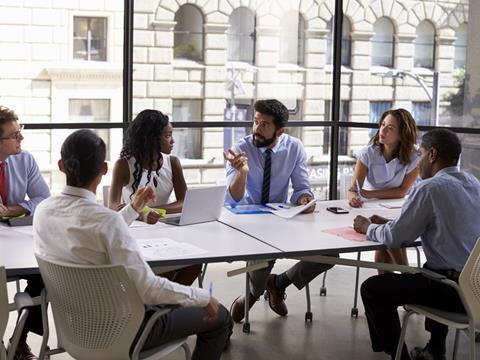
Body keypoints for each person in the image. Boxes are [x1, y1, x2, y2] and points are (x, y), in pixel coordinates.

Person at [33, 130, 232, 360]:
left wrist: (133, 209)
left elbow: (105, 227)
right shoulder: (104, 221)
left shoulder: (43, 211)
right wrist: (204, 297)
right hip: (126, 331)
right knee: (221, 317)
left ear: (61, 165)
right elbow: (148, 289)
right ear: (104, 170)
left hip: (75, 329)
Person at [353, 129, 480, 360]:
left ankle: (400, 356)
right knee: (433, 270)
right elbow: (448, 224)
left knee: (372, 289)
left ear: (432, 155)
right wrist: (395, 223)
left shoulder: (429, 188)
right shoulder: (473, 183)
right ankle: (435, 350)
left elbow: (395, 238)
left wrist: (367, 228)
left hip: (452, 291)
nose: (416, 163)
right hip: (476, 288)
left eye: (419, 154)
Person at [224, 99, 334, 322]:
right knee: (262, 257)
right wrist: (242, 173)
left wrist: (305, 199)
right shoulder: (240, 150)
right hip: (247, 220)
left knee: (329, 254)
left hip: (280, 217)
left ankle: (279, 282)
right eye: (255, 122)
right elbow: (233, 199)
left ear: (280, 130)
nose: (257, 129)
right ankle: (252, 296)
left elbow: (302, 188)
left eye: (264, 125)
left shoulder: (294, 148)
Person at [109, 109, 201, 286]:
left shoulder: (172, 162)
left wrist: (154, 211)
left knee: (196, 263)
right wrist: (141, 213)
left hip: (165, 231)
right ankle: (159, 303)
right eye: (167, 135)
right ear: (151, 139)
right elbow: (113, 207)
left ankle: (162, 306)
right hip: (134, 234)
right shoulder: (123, 165)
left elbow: (185, 202)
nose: (173, 141)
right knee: (154, 268)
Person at [0, 106, 50, 360]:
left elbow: (44, 199)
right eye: (15, 135)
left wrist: (11, 210)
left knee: (44, 272)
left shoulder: (25, 159)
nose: (21, 139)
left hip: (15, 238)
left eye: (20, 133)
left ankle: (19, 340)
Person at [349, 108, 419, 272]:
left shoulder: (414, 156)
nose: (383, 130)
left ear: (402, 134)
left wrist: (368, 194)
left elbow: (402, 191)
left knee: (387, 235)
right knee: (387, 236)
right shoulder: (368, 153)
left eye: (390, 128)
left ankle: (398, 279)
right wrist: (354, 197)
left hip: (399, 208)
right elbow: (354, 189)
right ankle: (405, 276)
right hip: (371, 209)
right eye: (382, 125)